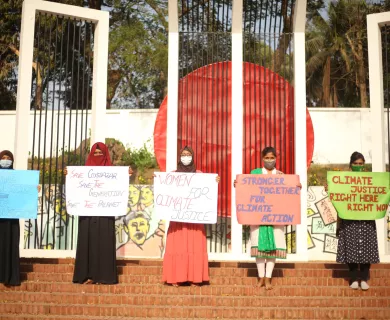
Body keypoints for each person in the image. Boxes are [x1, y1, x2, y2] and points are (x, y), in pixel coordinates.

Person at [234, 146, 301, 290]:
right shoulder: (255, 174)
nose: (269, 160)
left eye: (272, 158)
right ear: (262, 159)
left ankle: (268, 278)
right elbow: (246, 191)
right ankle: (261, 278)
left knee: (273, 250)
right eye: (267, 158)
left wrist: (296, 188)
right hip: (258, 218)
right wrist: (238, 185)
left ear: (276, 159)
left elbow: (287, 195)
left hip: (276, 219)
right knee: (259, 249)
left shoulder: (281, 176)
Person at [65, 142, 132, 284]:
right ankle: (86, 275)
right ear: (90, 155)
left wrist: (127, 175)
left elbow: (119, 184)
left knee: (104, 242)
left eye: (100, 153)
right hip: (87, 213)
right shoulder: (82, 173)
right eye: (95, 153)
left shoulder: (113, 172)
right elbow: (75, 187)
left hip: (105, 213)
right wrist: (69, 175)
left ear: (105, 154)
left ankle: (104, 276)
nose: (97, 156)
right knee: (87, 241)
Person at [162, 146, 220, 286]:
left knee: (194, 247)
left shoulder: (199, 174)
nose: (185, 156)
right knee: (178, 247)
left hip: (195, 218)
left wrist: (214, 181)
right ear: (179, 157)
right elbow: (164, 189)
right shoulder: (173, 175)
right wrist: (158, 180)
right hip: (178, 220)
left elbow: (206, 190)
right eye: (183, 154)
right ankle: (175, 277)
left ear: (193, 157)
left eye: (188, 154)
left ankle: (195, 277)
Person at [335, 151, 379, 291]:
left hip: (366, 220)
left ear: (364, 165)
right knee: (351, 247)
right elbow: (338, 197)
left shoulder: (371, 180)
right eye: (355, 164)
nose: (358, 166)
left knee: (367, 248)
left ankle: (364, 278)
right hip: (349, 220)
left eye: (361, 164)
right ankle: (354, 278)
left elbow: (379, 194)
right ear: (351, 164)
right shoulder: (344, 180)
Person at [0, 150, 20, 286]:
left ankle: (10, 276)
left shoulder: (18, 177)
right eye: (3, 158)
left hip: (12, 218)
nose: (6, 160)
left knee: (11, 244)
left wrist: (33, 189)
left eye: (8, 158)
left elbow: (24, 192)